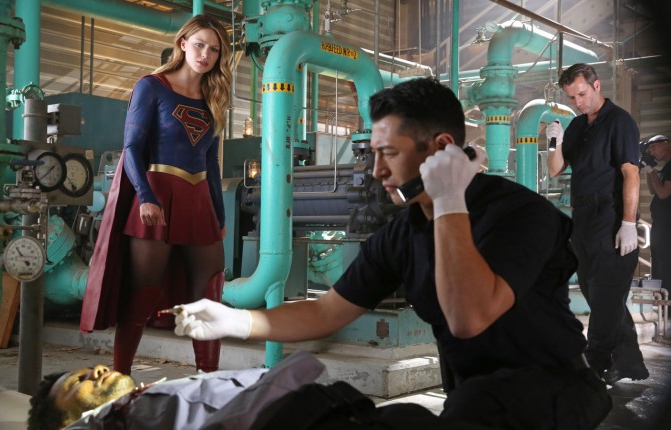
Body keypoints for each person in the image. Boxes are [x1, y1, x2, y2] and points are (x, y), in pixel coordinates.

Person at [172, 77, 611, 430]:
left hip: (552, 393)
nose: (377, 170)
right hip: (474, 400)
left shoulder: (521, 213)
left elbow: (469, 317)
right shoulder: (403, 232)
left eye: (389, 154)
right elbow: (326, 312)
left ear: (441, 148)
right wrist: (235, 320)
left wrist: (448, 199)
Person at [79, 14, 233, 374]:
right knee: (143, 294)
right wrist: (146, 196)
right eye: (200, 45)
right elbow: (132, 147)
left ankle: (207, 380)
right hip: (157, 196)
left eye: (214, 49)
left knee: (210, 297)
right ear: (183, 43)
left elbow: (211, 163)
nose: (206, 54)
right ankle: (121, 377)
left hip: (199, 202)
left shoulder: (214, 98)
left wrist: (220, 216)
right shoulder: (152, 86)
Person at [546, 63, 649, 385]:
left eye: (582, 94)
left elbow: (631, 174)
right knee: (599, 294)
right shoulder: (578, 126)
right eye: (571, 97)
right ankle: (630, 362)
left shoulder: (619, 121)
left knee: (606, 295)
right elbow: (554, 169)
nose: (578, 102)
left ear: (596, 86)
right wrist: (554, 143)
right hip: (583, 219)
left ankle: (594, 363)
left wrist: (628, 223)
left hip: (610, 216)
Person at [26, 350, 326, 430]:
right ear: (65, 422)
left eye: (91, 369)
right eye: (78, 383)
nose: (99, 370)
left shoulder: (142, 403)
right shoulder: (100, 424)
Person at [642, 135, 671, 290]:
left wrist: (651, 170)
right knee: (659, 260)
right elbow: (653, 190)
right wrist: (648, 170)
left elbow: (663, 193)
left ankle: (667, 297)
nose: (651, 152)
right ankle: (662, 297)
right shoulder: (666, 167)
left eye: (653, 147)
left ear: (665, 144)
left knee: (665, 263)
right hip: (661, 224)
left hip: (668, 225)